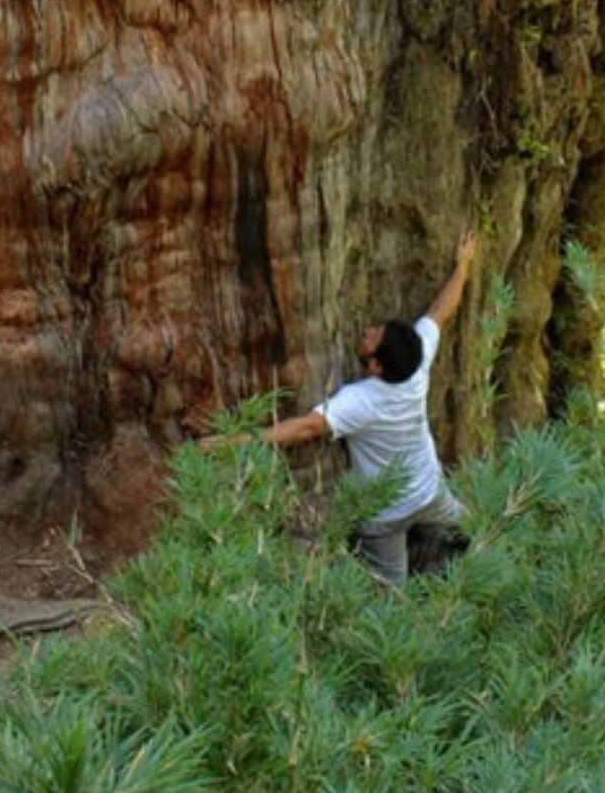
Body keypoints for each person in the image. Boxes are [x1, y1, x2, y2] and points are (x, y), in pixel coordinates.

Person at [201, 229, 479, 584]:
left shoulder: (360, 402)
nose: (366, 331)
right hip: (429, 492)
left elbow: (306, 428)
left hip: (386, 514)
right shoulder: (416, 361)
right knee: (478, 529)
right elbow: (439, 313)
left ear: (376, 366)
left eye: (372, 337)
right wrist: (463, 266)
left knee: (390, 592)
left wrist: (235, 441)